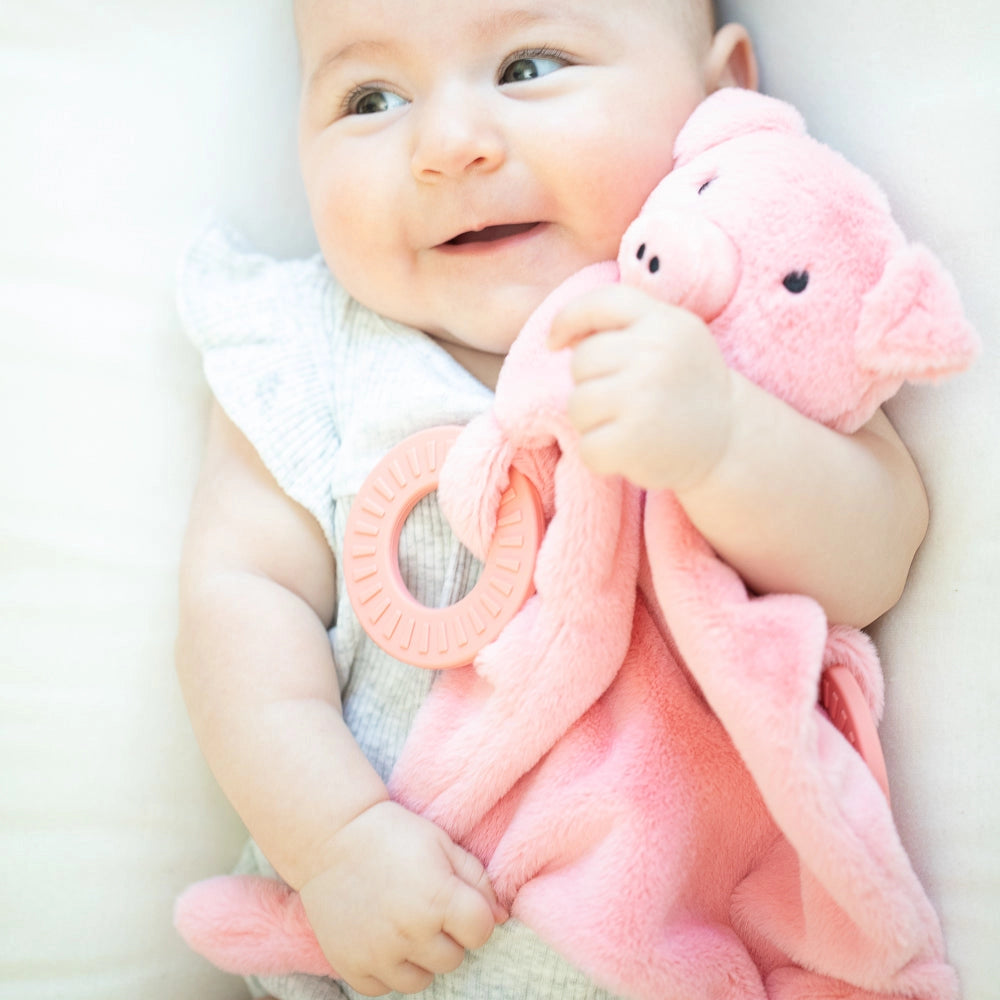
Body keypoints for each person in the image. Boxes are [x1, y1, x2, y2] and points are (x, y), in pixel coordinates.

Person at [175, 0, 929, 997]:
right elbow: (233, 612)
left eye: (528, 67)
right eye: (370, 96)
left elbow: (872, 559)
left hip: (690, 954)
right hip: (393, 939)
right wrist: (334, 839)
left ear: (723, 98)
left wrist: (721, 438)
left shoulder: (736, 319)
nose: (447, 146)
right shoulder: (311, 355)